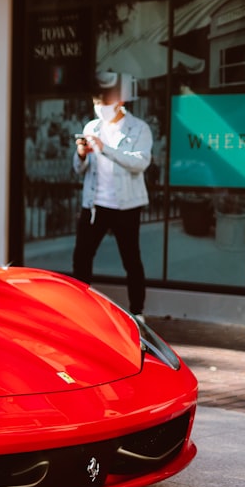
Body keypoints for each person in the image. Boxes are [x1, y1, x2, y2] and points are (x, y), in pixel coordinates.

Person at [72, 72, 153, 319]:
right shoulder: (91, 127)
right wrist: (82, 155)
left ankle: (137, 312)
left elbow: (140, 163)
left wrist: (105, 149)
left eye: (104, 104)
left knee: (131, 259)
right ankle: (79, 307)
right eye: (96, 104)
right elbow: (78, 170)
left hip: (126, 205)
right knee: (82, 256)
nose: (100, 109)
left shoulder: (139, 129)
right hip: (95, 203)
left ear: (120, 103)